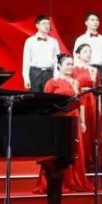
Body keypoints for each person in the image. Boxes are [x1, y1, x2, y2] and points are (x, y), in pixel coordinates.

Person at [34, 55, 93, 194]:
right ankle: (56, 182)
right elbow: (46, 104)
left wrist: (82, 121)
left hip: (74, 118)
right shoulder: (52, 82)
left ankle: (74, 181)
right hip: (59, 121)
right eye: (67, 64)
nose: (70, 67)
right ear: (59, 65)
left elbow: (80, 103)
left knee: (74, 150)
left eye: (71, 64)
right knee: (59, 152)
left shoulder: (75, 82)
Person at [70, 44, 102, 170]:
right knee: (80, 128)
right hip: (79, 99)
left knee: (92, 128)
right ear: (78, 54)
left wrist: (99, 105)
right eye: (85, 51)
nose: (88, 54)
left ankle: (92, 159)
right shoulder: (73, 70)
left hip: (92, 100)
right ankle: (80, 158)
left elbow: (98, 90)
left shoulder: (94, 70)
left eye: (89, 51)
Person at [23, 14, 60, 90]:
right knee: (35, 96)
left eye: (48, 23)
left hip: (49, 73)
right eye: (44, 23)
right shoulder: (30, 41)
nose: (47, 26)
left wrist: (57, 76)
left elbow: (57, 60)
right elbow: (26, 61)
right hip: (35, 73)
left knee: (48, 96)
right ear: (37, 25)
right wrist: (26, 78)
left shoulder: (54, 41)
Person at [74, 11, 102, 83]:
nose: (95, 22)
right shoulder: (80, 39)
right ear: (86, 23)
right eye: (92, 20)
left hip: (100, 70)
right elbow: (76, 58)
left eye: (97, 20)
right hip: (85, 70)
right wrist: (77, 74)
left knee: (99, 90)